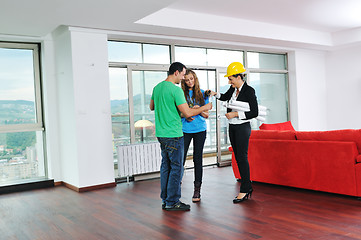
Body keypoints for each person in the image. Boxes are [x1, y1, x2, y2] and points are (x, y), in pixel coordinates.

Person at [150, 62, 212, 211]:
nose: (184, 78)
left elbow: (152, 107)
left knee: (166, 167)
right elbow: (188, 113)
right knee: (177, 169)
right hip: (174, 134)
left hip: (161, 134)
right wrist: (205, 107)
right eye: (183, 74)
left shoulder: (157, 88)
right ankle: (173, 202)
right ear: (176, 72)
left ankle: (165, 200)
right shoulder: (176, 90)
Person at [208, 62, 258, 204]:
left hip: (242, 127)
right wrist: (215, 94)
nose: (229, 81)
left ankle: (245, 188)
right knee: (238, 157)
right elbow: (224, 97)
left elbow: (254, 112)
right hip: (232, 127)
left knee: (242, 157)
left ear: (238, 77)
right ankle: (246, 186)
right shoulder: (232, 89)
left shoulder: (249, 91)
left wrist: (236, 114)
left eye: (231, 79)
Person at [181, 69, 209, 202]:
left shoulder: (202, 93)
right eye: (186, 80)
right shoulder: (180, 94)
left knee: (197, 159)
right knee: (181, 159)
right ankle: (176, 187)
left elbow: (206, 114)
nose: (189, 82)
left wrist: (197, 110)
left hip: (200, 130)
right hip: (185, 130)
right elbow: (180, 113)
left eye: (191, 79)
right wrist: (193, 111)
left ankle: (197, 190)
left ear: (195, 79)